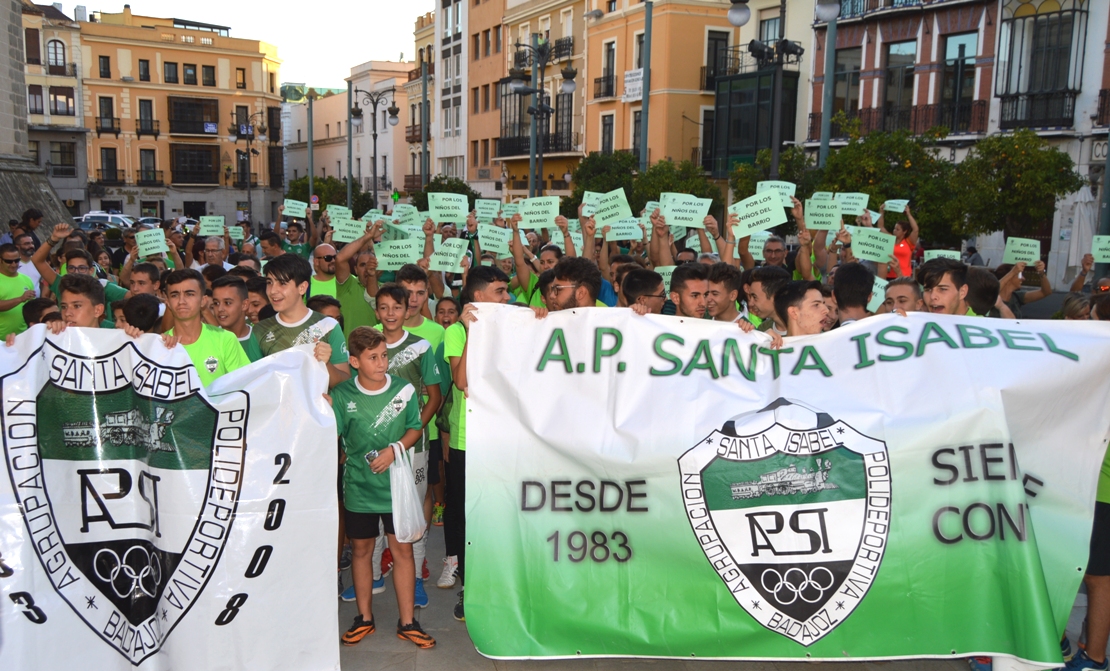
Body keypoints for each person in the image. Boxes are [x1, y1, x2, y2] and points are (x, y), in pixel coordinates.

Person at [331, 327, 435, 650]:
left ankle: (408, 622)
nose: (381, 363)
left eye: (384, 356)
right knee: (361, 551)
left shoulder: (403, 389)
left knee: (402, 550)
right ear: (354, 361)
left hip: (396, 487)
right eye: (373, 358)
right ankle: (365, 618)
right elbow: (329, 434)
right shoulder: (343, 395)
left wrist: (393, 451)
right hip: (359, 488)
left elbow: (415, 429)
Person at [355, 284, 443, 610]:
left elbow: (434, 396)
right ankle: (376, 572)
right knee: (370, 510)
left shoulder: (420, 347)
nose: (390, 313)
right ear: (376, 311)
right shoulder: (366, 341)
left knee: (411, 512)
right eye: (383, 307)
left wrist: (414, 428)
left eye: (397, 307)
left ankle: (416, 578)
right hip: (369, 446)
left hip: (412, 447)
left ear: (408, 310)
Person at [443, 265, 513, 622]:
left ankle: (503, 588)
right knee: (471, 520)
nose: (508, 297)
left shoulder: (514, 326)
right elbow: (461, 381)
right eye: (500, 291)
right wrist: (472, 333)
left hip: (505, 440)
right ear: (479, 296)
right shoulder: (456, 332)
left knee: (502, 518)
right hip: (468, 442)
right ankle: (471, 590)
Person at [254, 253, 350, 388]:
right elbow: (253, 384)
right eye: (269, 282)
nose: (273, 291)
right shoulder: (259, 330)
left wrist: (325, 364)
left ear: (302, 287)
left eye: (282, 283)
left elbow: (345, 384)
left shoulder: (328, 326)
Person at [158, 269, 249, 387]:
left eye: (189, 294)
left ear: (203, 301)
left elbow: (245, 386)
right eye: (175, 295)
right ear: (168, 302)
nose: (181, 301)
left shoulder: (225, 339)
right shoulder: (160, 345)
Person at [334, 220, 382, 338]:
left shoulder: (385, 290)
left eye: (370, 264)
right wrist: (368, 237)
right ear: (355, 269)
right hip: (348, 352)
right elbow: (340, 258)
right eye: (362, 265)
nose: (367, 269)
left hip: (374, 352)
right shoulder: (347, 285)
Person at [210, 275, 263, 362]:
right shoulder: (207, 340)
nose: (220, 309)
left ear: (244, 305)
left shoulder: (261, 339)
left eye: (227, 303)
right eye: (216, 303)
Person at [0, 243, 36, 339]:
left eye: (17, 260)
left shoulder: (26, 279)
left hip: (22, 337)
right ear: (0, 260)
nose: (14, 264)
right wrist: (20, 299)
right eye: (9, 261)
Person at [876, 204, 918, 279]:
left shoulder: (909, 242)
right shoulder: (890, 239)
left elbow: (915, 229)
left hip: (904, 276)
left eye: (897, 229)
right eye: (894, 228)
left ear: (904, 231)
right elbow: (880, 227)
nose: (894, 231)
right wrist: (881, 212)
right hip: (889, 276)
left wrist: (908, 214)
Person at [747, 266, 791, 336]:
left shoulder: (809, 329)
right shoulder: (763, 329)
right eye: (750, 297)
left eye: (754, 297)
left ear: (775, 296)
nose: (750, 303)